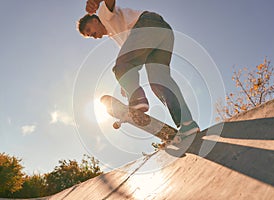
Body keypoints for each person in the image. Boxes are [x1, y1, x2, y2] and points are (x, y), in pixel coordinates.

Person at [77, 0, 200, 136]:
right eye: (89, 36)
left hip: (146, 25)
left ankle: (138, 100)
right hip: (163, 32)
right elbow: (132, 60)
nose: (92, 36)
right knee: (159, 81)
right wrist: (126, 83)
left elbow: (125, 63)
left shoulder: (104, 15)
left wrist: (95, 1)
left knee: (120, 66)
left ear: (95, 21)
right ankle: (187, 123)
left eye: (89, 30)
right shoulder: (119, 36)